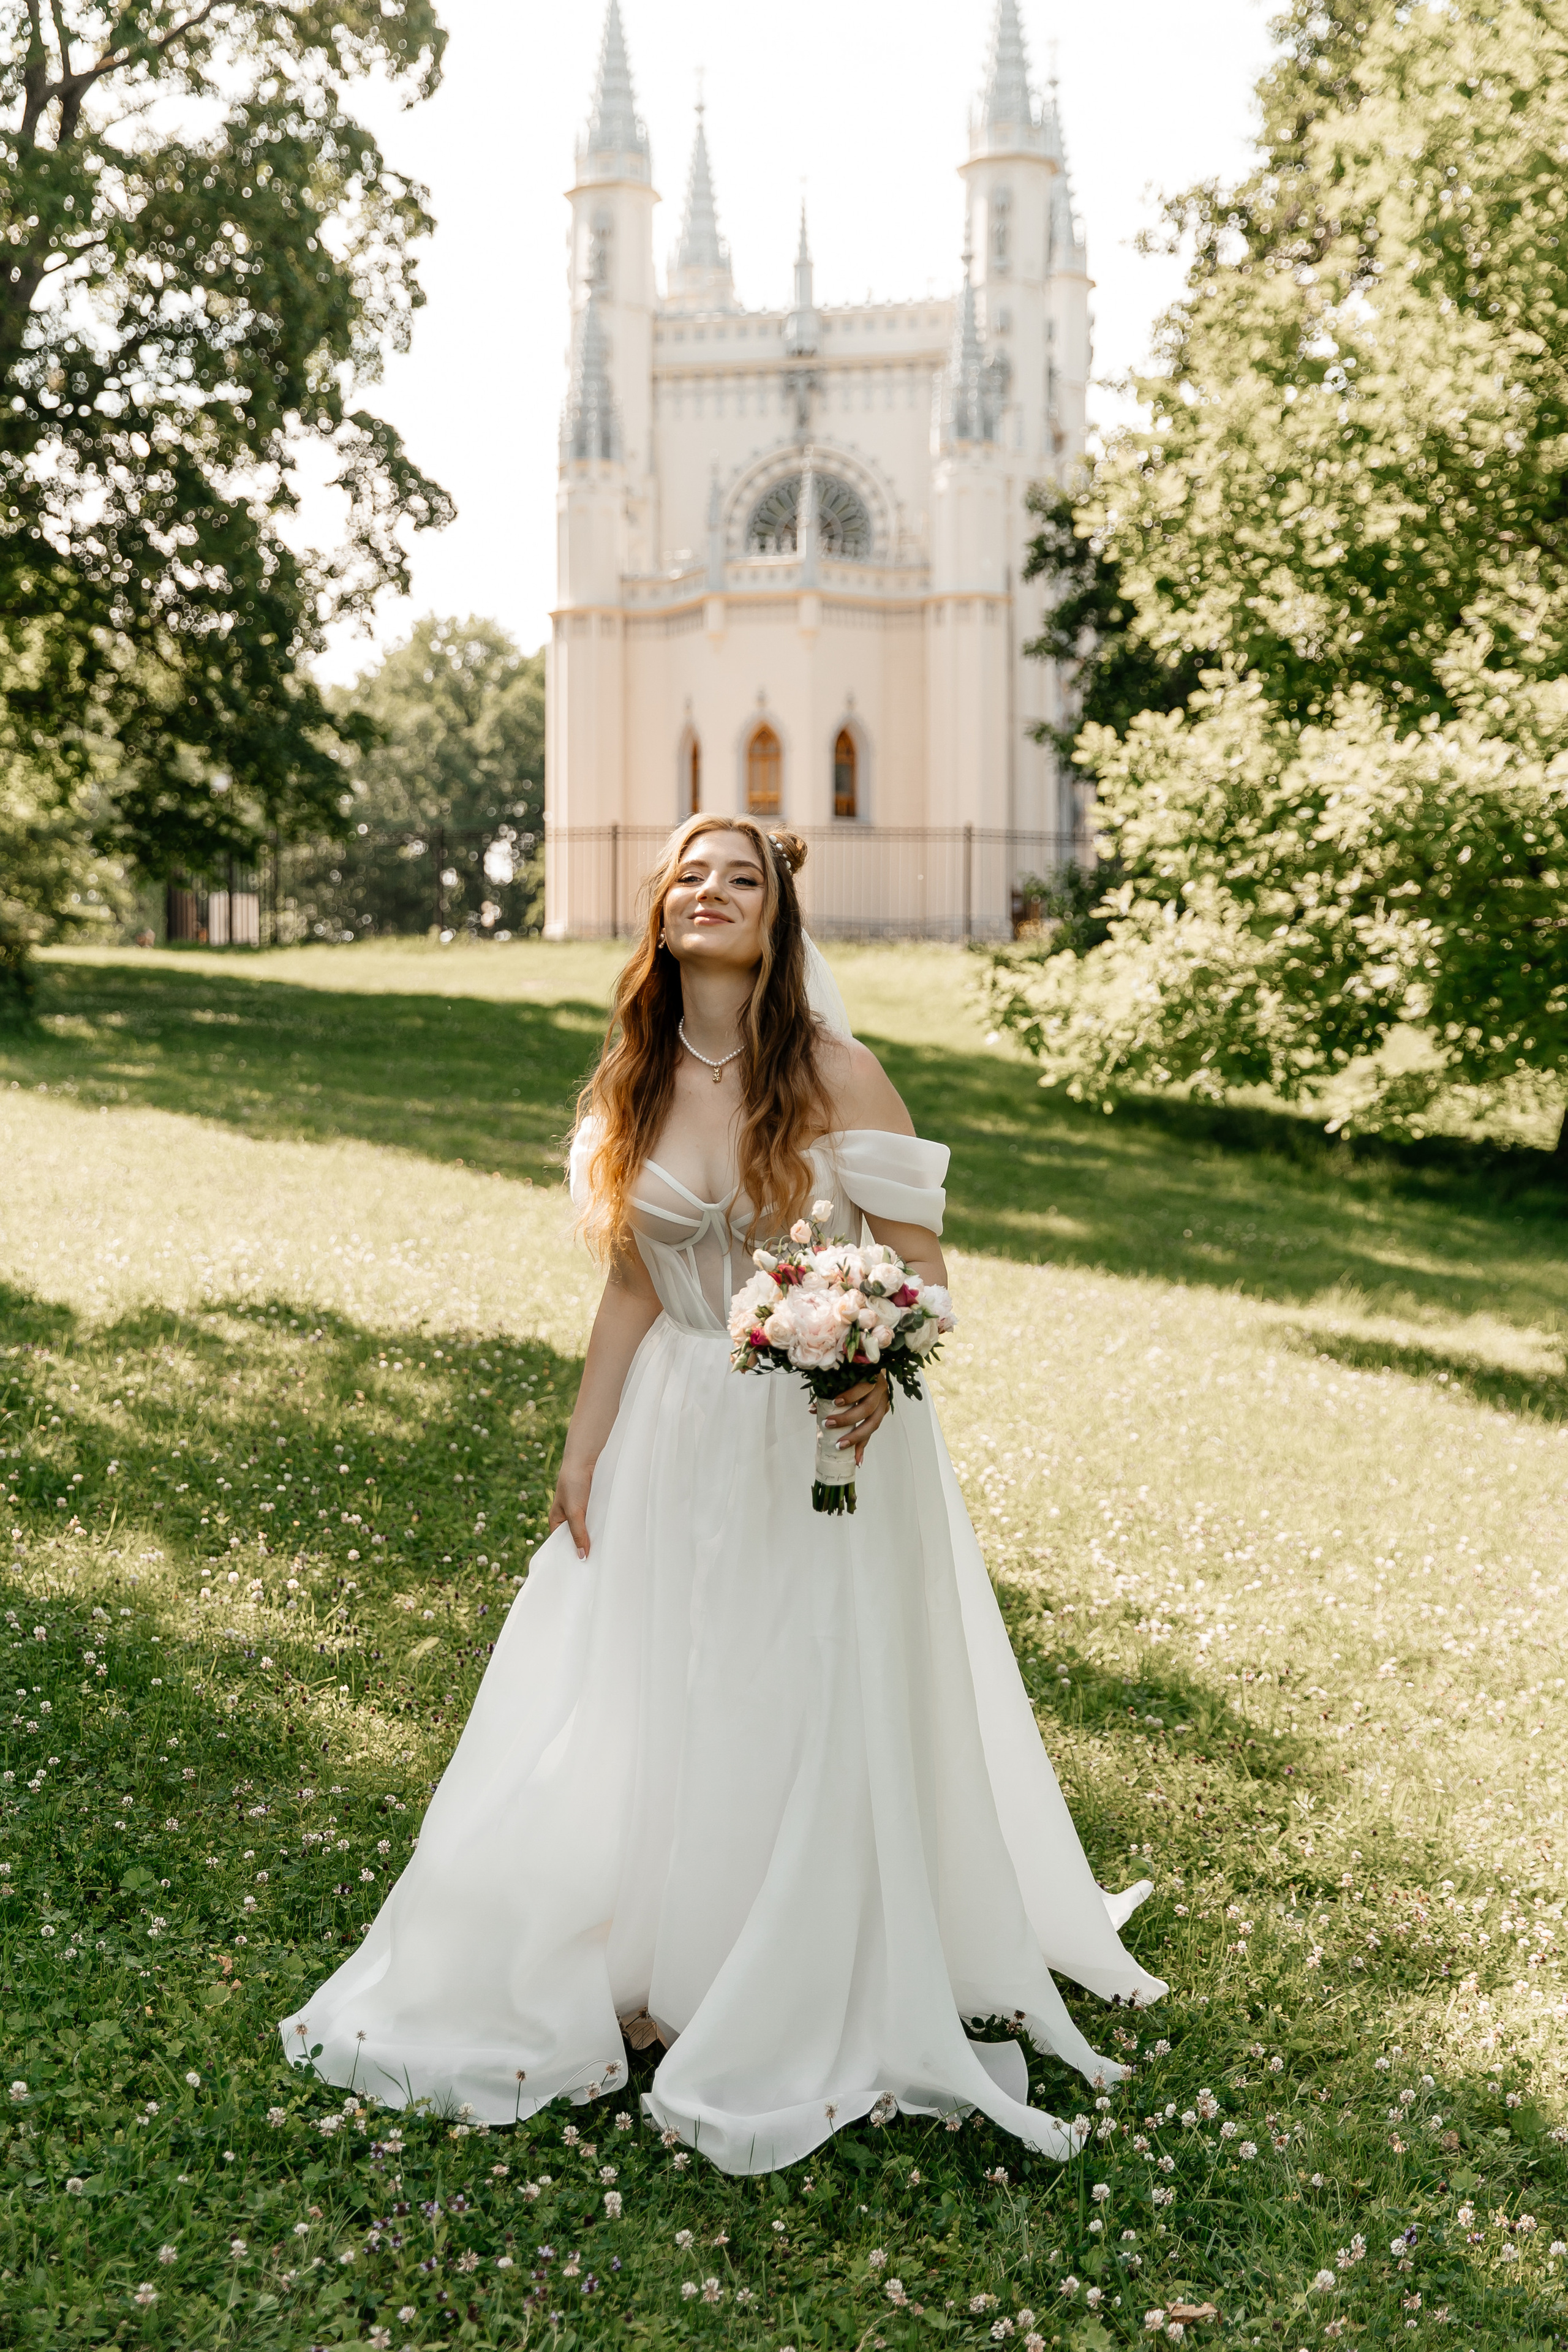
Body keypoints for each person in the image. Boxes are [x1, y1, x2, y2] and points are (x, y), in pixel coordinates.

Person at [280, 813, 1165, 2173]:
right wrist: (583, 1444)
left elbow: (922, 1269)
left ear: (776, 917)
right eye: (689, 874)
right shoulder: (632, 1075)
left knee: (784, 1689)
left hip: (812, 1436)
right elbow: (633, 1280)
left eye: (739, 878)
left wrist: (879, 1360)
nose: (711, 892)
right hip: (668, 1426)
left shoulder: (834, 1071)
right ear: (659, 911)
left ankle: (760, 1972)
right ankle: (631, 1960)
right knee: (647, 1684)